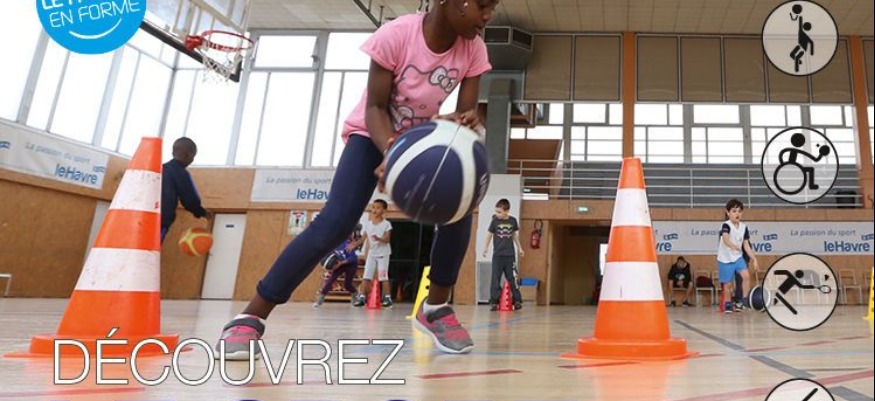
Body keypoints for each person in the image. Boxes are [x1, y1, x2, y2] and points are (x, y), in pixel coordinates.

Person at [215, 0, 497, 358]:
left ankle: (436, 308)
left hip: (423, 139)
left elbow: (465, 115)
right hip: (371, 134)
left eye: (493, 7)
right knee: (335, 222)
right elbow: (375, 106)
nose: (488, 16)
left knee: (460, 208)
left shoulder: (474, 48)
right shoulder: (396, 35)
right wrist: (392, 151)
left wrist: (468, 121)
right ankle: (250, 316)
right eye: (482, 5)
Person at [161, 137, 210, 243]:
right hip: (160, 220)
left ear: (173, 152)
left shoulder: (158, 169)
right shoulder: (181, 173)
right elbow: (190, 199)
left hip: (139, 217)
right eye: (193, 156)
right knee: (150, 249)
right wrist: (201, 212)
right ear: (188, 155)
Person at [717, 199, 759, 313]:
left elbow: (746, 244)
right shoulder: (726, 225)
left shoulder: (744, 227)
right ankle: (728, 305)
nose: (737, 214)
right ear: (728, 212)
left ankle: (744, 301)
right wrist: (733, 246)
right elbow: (725, 239)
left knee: (746, 276)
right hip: (725, 259)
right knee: (728, 284)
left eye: (739, 211)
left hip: (737, 257)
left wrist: (754, 259)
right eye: (734, 211)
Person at [482, 198, 524, 311]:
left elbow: (514, 235)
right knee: (495, 278)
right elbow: (489, 235)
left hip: (510, 255)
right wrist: (485, 248)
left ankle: (517, 300)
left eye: (499, 212)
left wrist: (520, 248)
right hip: (498, 255)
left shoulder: (513, 221)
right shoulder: (494, 221)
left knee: (513, 278)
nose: (497, 214)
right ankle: (494, 301)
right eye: (496, 211)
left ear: (507, 211)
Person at [353, 200, 393, 308]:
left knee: (383, 276)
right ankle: (362, 297)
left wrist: (379, 239)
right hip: (372, 254)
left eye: (378, 208)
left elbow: (387, 239)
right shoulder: (368, 224)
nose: (375, 210)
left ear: (384, 210)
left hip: (383, 254)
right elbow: (363, 239)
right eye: (373, 207)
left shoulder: (386, 224)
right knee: (366, 276)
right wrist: (354, 244)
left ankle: (387, 298)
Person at [313, 229, 362, 308]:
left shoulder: (347, 244)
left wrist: (341, 263)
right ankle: (320, 300)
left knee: (347, 285)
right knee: (330, 281)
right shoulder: (332, 245)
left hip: (351, 264)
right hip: (339, 264)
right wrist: (331, 266)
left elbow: (353, 258)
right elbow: (328, 257)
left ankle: (354, 293)